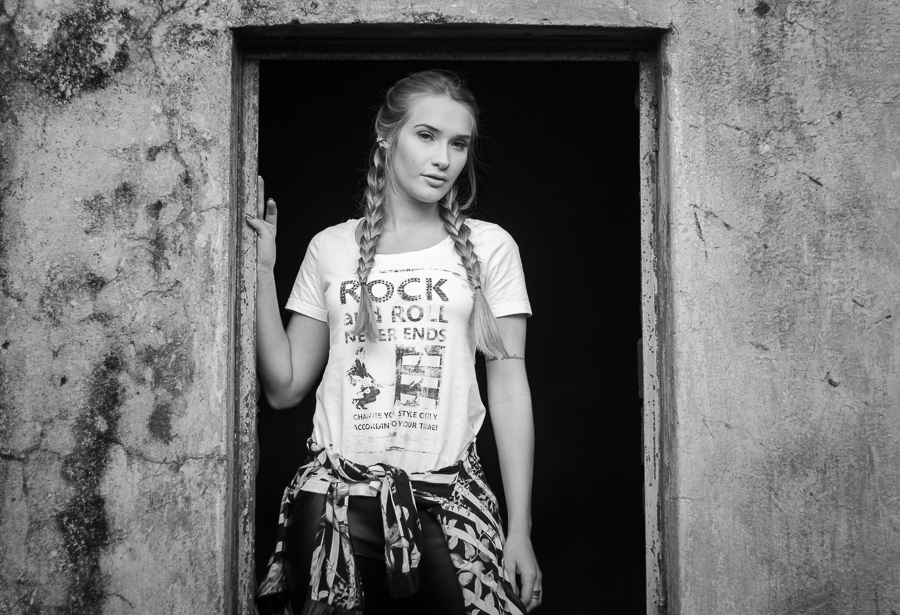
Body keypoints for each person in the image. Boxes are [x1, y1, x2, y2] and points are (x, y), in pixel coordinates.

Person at [246, 70, 542, 615]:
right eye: (425, 136)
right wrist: (263, 273)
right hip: (333, 504)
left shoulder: (491, 246)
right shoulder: (330, 246)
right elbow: (284, 387)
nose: (443, 158)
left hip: (446, 499)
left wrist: (518, 530)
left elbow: (508, 388)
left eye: (458, 144)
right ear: (387, 137)